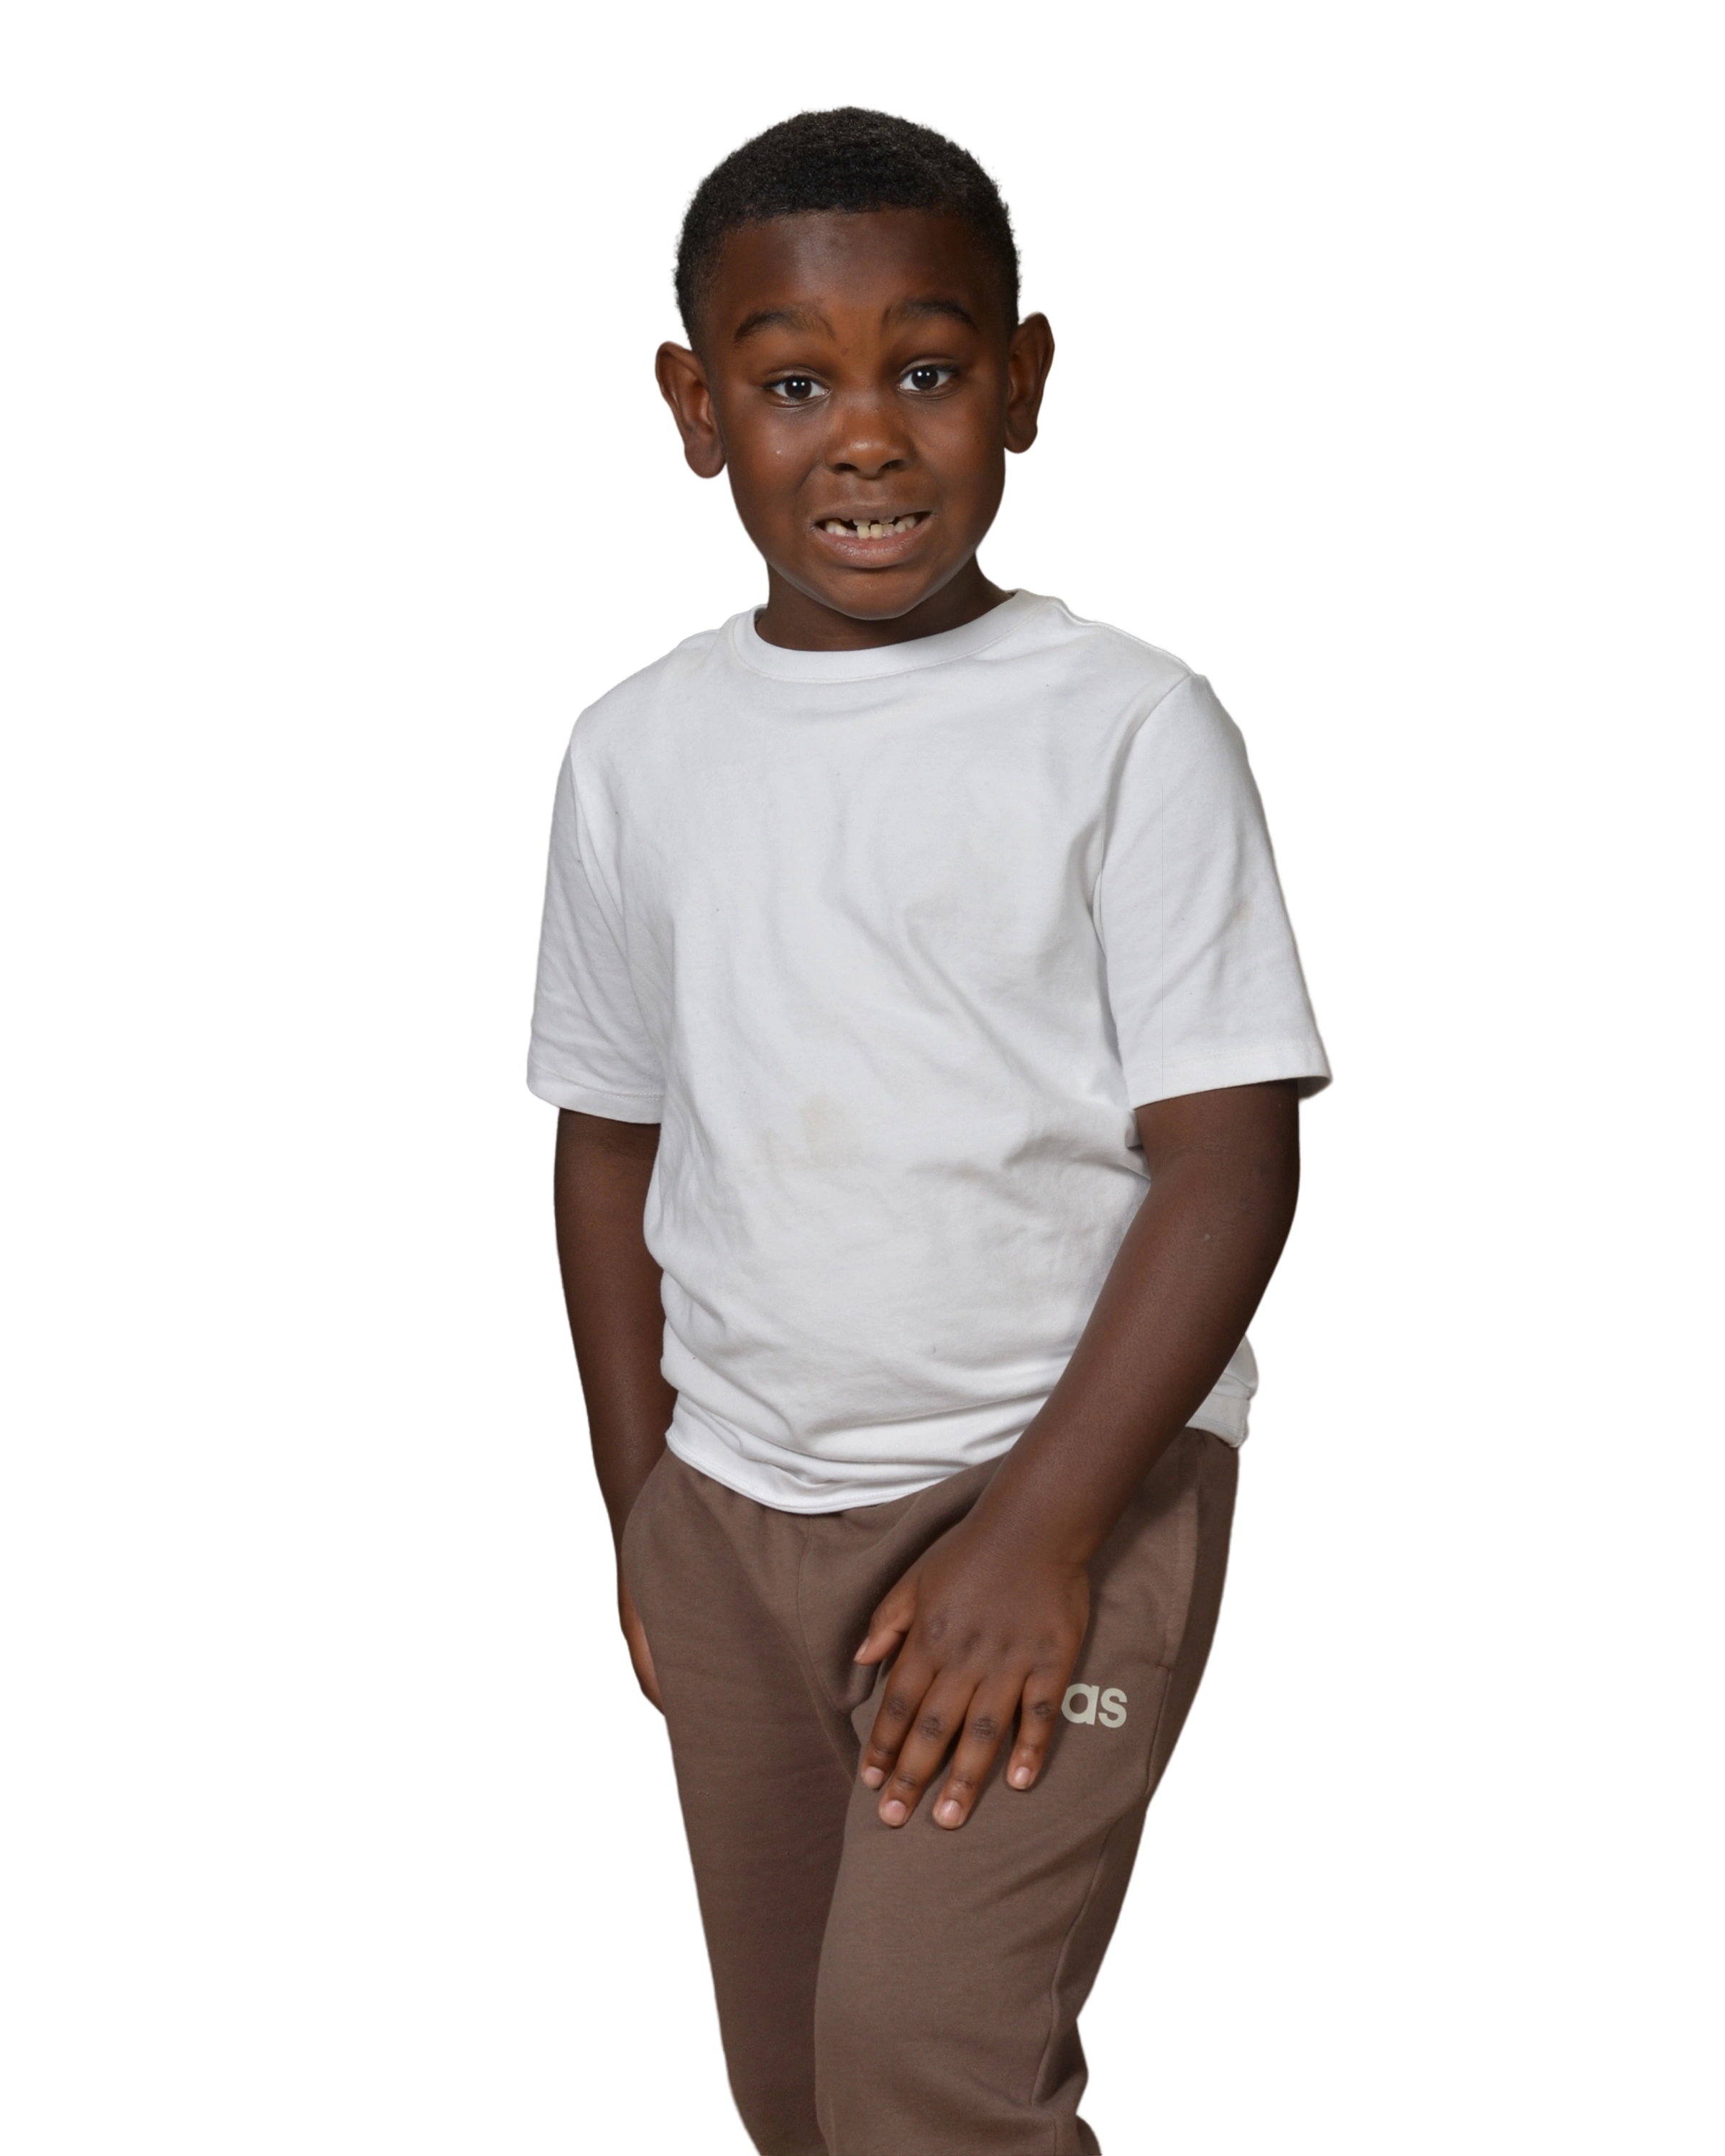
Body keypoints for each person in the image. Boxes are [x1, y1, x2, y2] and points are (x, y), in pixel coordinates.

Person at [527, 101, 1332, 2156]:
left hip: (1057, 1487)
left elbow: (1231, 1161)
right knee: (798, 2094)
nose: (867, 437)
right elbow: (610, 1143)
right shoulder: (634, 753)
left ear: (1029, 385)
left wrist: (1041, 1535)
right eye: (795, 384)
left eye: (932, 370)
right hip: (738, 1511)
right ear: (696, 412)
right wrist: (642, 1510)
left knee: (929, 2073)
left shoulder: (1125, 724)